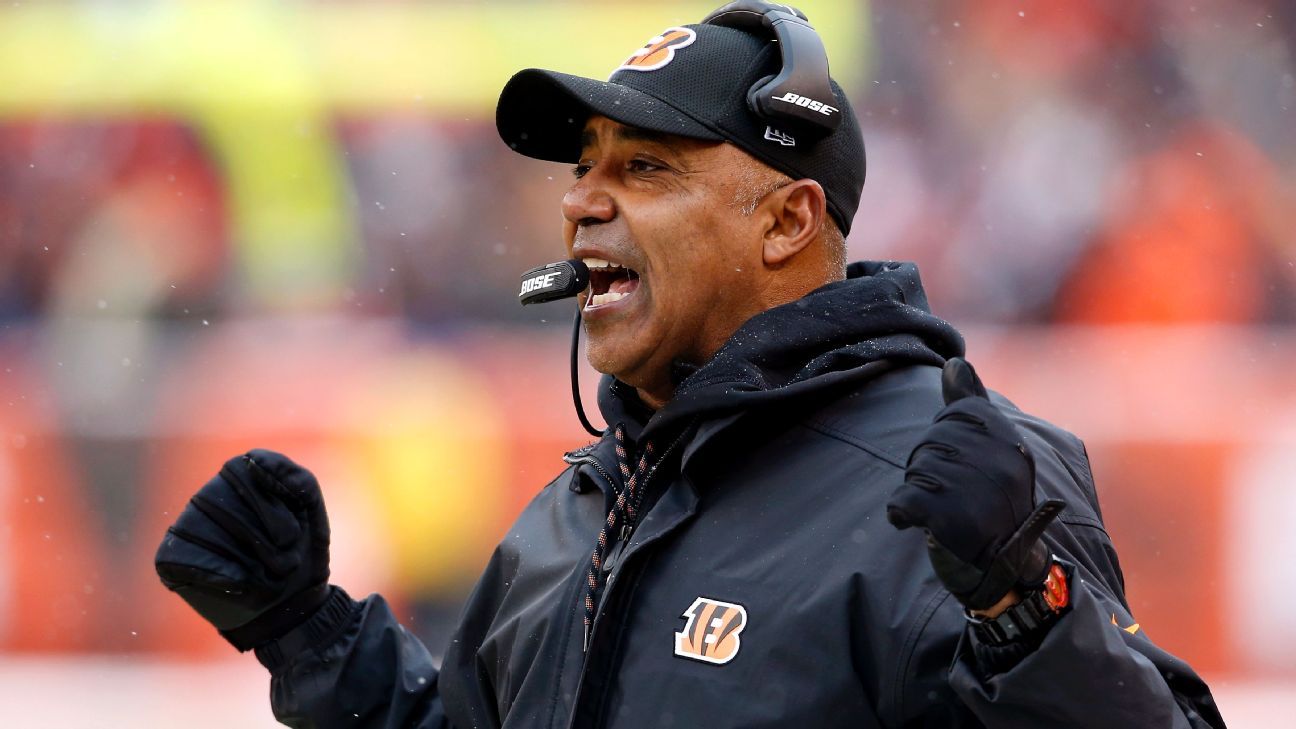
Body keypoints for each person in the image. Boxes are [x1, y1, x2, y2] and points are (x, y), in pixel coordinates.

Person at [154, 3, 1226, 727]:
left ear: (787, 222)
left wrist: (1029, 614)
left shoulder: (961, 486)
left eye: (647, 167)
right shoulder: (583, 503)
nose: (582, 199)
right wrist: (313, 641)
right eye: (585, 167)